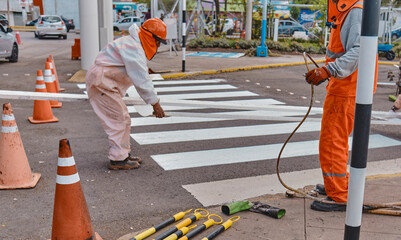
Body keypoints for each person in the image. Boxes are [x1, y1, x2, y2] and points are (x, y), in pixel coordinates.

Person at [305, 0, 377, 211]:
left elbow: (358, 52)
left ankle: (339, 195)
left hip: (346, 89)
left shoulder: (354, 11)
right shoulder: (349, 10)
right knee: (337, 140)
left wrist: (328, 70)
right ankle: (338, 185)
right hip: (346, 87)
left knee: (332, 141)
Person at [86, 18, 167, 170]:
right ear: (150, 37)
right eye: (157, 41)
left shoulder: (132, 43)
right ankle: (118, 160)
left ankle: (123, 154)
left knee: (123, 119)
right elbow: (141, 80)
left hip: (104, 83)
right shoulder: (134, 47)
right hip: (102, 84)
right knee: (119, 120)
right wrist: (155, 104)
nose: (157, 45)